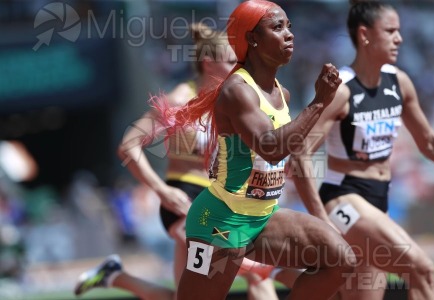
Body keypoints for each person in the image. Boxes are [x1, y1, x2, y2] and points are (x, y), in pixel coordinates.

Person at [146, 1, 356, 299]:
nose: (289, 34)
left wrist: (318, 214)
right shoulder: (237, 91)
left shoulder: (281, 93)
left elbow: (294, 154)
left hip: (264, 217)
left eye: (289, 27)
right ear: (252, 38)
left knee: (340, 259)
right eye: (277, 27)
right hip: (221, 221)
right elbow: (271, 148)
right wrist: (319, 102)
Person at [74, 22, 280, 300]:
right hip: (186, 199)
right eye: (232, 62)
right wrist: (162, 190)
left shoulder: (234, 100)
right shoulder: (180, 100)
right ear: (208, 63)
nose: (240, 68)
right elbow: (128, 145)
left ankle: (115, 275)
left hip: (225, 199)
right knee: (250, 268)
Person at [289, 1, 434, 299]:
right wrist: (321, 221)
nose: (399, 38)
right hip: (343, 201)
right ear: (364, 35)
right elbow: (299, 154)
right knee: (421, 268)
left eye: (399, 31)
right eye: (390, 31)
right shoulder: (343, 90)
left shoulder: (399, 82)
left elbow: (428, 143)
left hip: (379, 200)